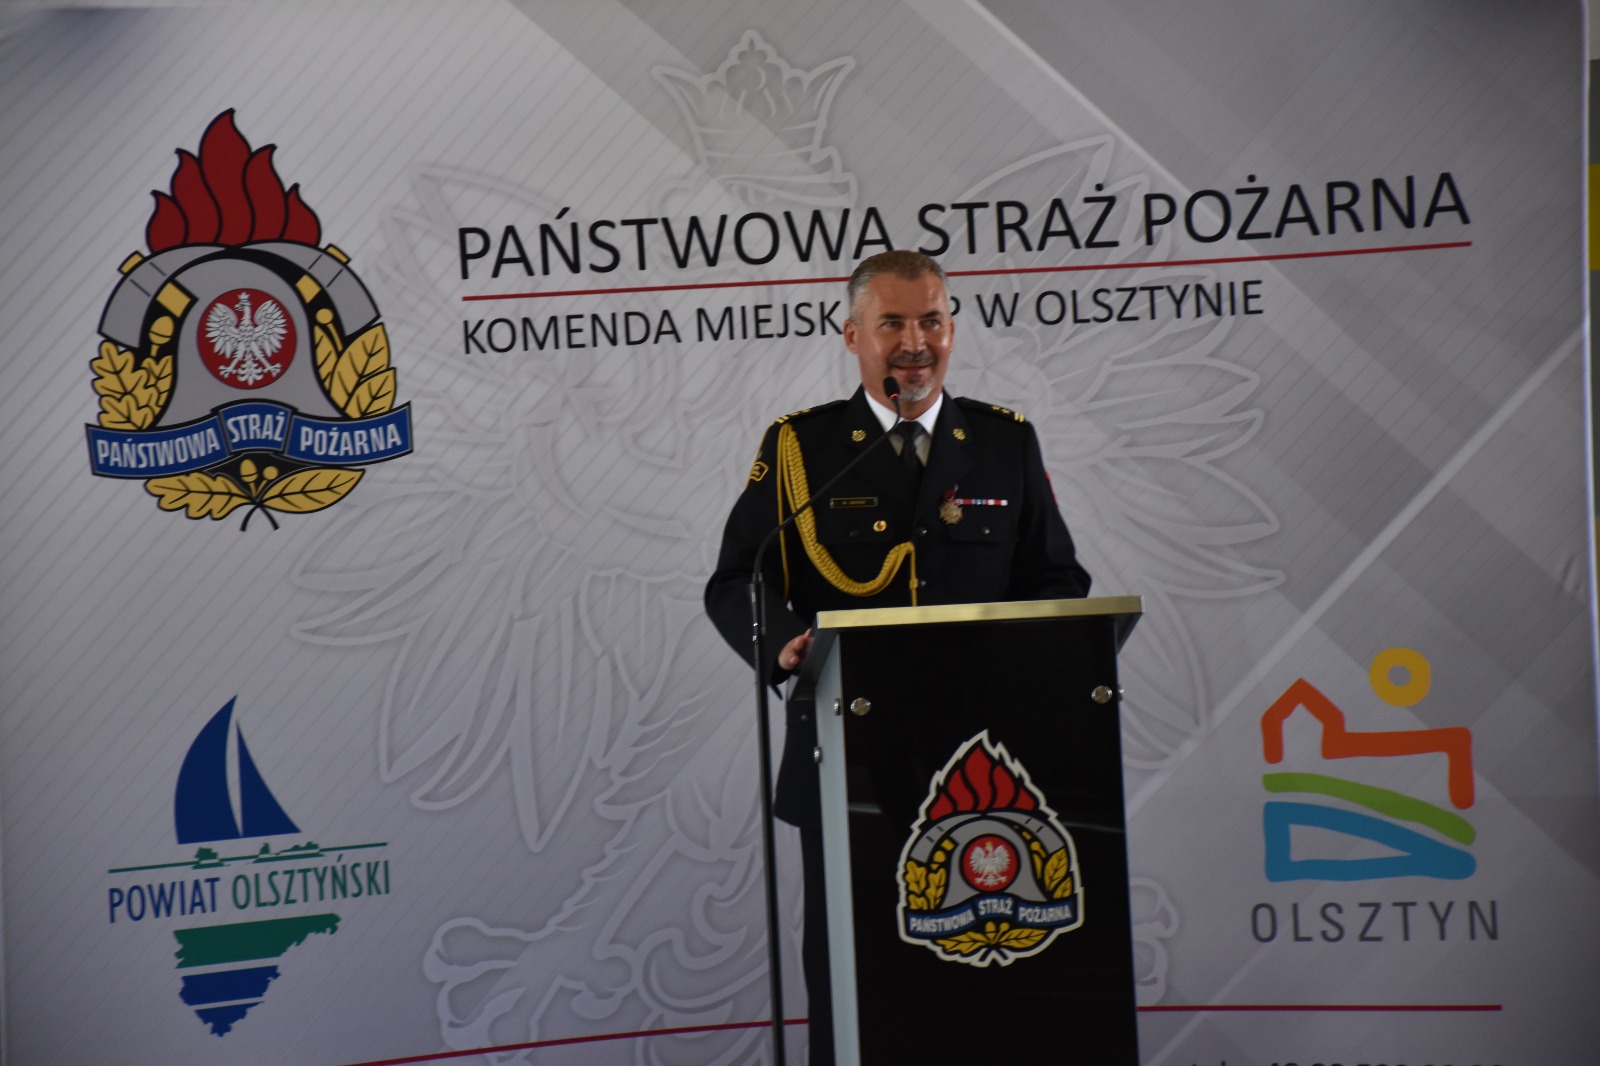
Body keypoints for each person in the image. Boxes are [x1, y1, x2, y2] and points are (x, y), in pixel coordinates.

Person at [702, 250, 1091, 1064]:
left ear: (952, 329)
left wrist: (1039, 662)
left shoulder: (1003, 442)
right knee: (858, 983)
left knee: (983, 988)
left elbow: (1056, 580)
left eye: (931, 322)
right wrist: (783, 643)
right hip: (849, 757)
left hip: (988, 763)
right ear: (853, 335)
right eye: (893, 324)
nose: (915, 342)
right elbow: (738, 579)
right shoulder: (803, 448)